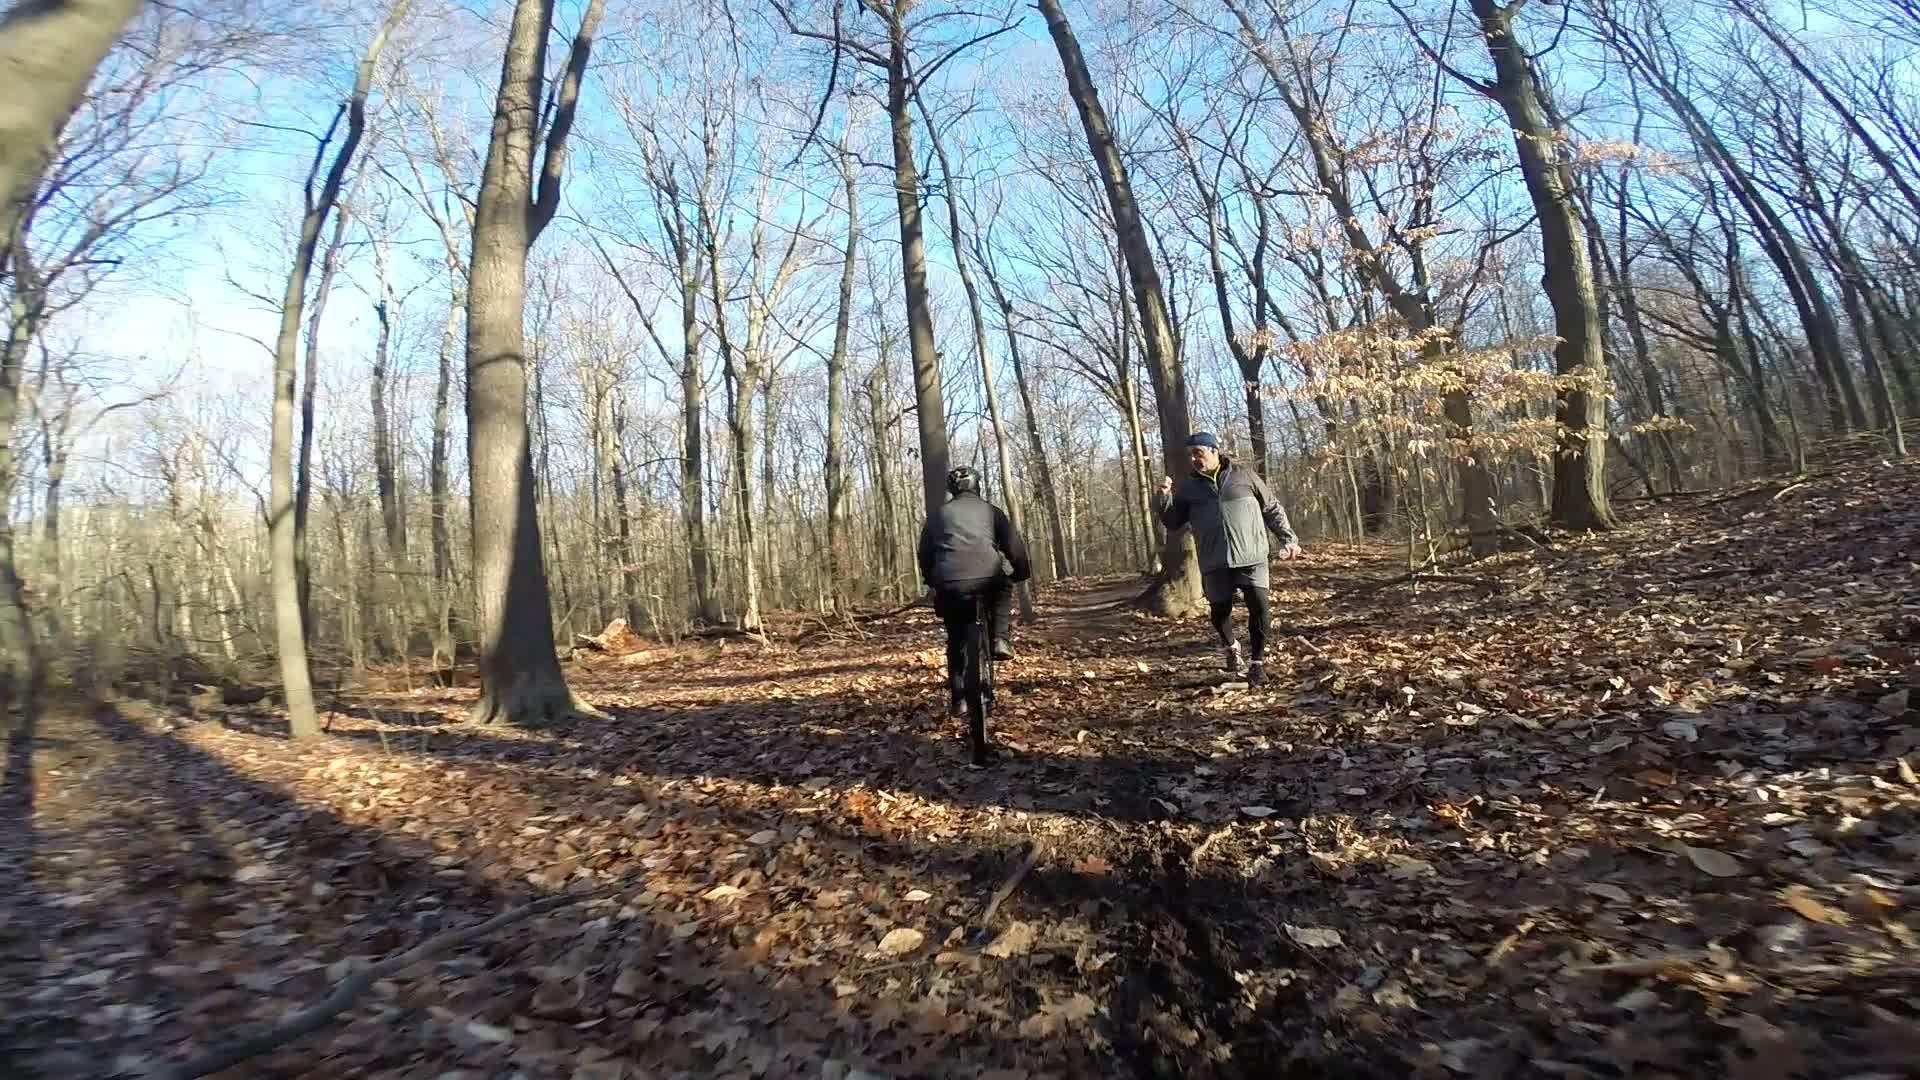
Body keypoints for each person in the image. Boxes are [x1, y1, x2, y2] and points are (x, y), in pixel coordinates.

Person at [1154, 431, 1301, 686]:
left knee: (1260, 607)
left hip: (1252, 555)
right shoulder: (1189, 488)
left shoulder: (1244, 476)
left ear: (1214, 451)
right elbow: (1173, 522)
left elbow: (1271, 508)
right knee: (1220, 610)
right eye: (1191, 455)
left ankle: (1257, 663)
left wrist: (1289, 539)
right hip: (1214, 559)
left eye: (1198, 453)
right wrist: (1164, 498)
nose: (1194, 459)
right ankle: (1231, 647)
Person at [918, 465, 1032, 718]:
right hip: (989, 578)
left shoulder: (937, 516)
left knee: (956, 639)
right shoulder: (992, 512)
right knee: (1004, 586)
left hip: (949, 584)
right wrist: (1021, 572)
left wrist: (931, 580)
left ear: (952, 490)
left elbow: (925, 554)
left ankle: (959, 699)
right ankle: (999, 638)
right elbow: (1014, 547)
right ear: (977, 486)